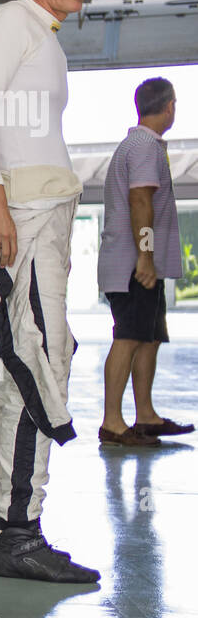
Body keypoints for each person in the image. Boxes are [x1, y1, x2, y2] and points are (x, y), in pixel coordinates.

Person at [0, 0, 99, 583]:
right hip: (22, 218)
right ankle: (20, 531)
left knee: (9, 370)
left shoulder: (41, 39)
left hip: (31, 214)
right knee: (39, 366)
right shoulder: (9, 26)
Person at [98, 77, 191, 446]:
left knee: (148, 337)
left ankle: (146, 416)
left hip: (141, 264)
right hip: (133, 266)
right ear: (169, 106)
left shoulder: (142, 144)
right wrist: (146, 257)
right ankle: (112, 423)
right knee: (128, 338)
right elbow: (140, 201)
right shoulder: (142, 146)